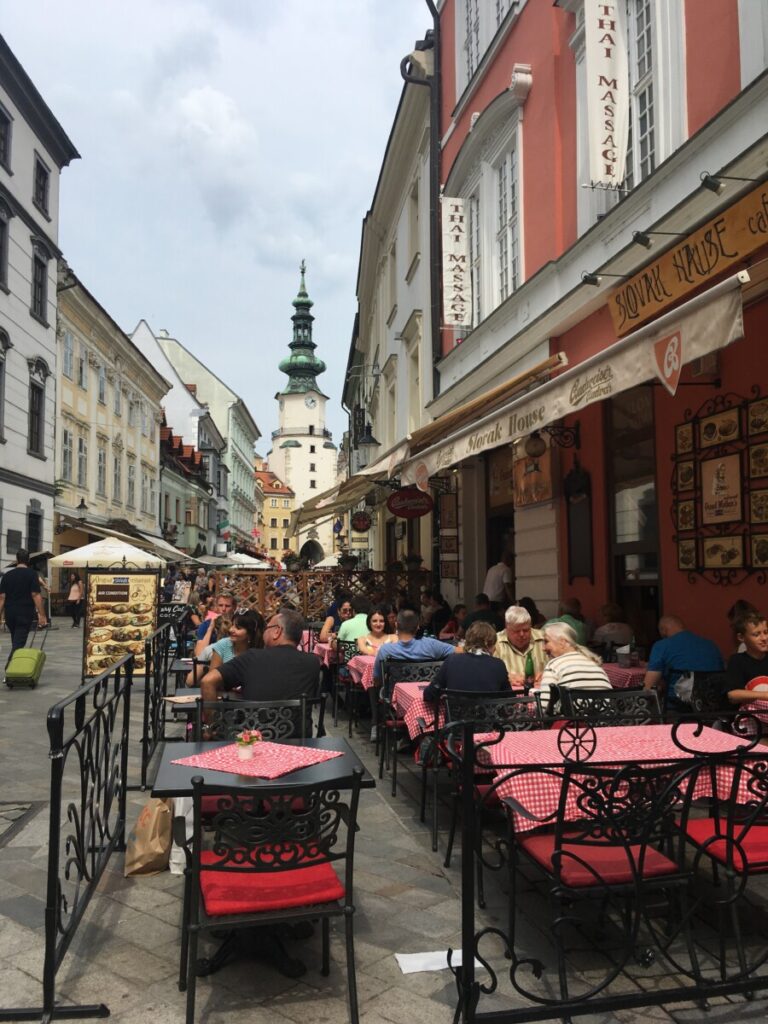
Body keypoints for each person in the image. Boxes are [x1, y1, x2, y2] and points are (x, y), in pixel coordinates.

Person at [200, 609, 320, 705]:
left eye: (268, 628)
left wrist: (211, 727)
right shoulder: (313, 662)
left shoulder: (252, 657)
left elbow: (207, 681)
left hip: (256, 733)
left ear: (277, 632)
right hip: (299, 734)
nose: (264, 632)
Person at [642, 615, 723, 708]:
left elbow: (648, 688)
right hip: (711, 708)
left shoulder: (661, 646)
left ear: (663, 630)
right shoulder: (711, 645)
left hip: (677, 709)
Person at [423, 622, 510, 702]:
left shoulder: (452, 661)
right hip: (489, 718)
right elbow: (509, 699)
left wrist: (444, 695)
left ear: (467, 641)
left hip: (456, 718)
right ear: (491, 645)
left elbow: (429, 695)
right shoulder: (499, 665)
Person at [372, 609, 456, 691]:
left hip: (397, 697)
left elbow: (377, 680)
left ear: (396, 625)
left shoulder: (386, 650)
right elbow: (460, 651)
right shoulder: (432, 645)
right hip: (429, 694)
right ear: (417, 627)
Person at [536, 622, 611, 709]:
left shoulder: (554, 665)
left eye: (546, 641)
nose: (543, 648)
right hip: (606, 720)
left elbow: (544, 706)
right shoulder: (594, 664)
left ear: (562, 642)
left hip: (574, 721)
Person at [0, 549, 48, 669]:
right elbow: (36, 595)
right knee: (18, 643)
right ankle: (10, 667)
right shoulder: (32, 574)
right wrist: (42, 615)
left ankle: (16, 667)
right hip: (24, 613)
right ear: (28, 560)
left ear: (17, 560)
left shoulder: (7, 575)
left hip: (10, 614)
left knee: (16, 639)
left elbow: (2, 598)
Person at [495, 605, 547, 686]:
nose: (522, 634)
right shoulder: (495, 642)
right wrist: (503, 678)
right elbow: (484, 673)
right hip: (510, 696)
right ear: (506, 628)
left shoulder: (545, 639)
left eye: (526, 630)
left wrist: (548, 676)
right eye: (516, 631)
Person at [725, 612, 768, 704]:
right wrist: (764, 695)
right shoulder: (737, 661)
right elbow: (733, 695)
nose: (764, 638)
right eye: (756, 634)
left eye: (766, 632)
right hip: (751, 715)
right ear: (741, 637)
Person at [193, 591, 237, 656]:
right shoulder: (207, 624)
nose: (223, 609)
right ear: (216, 606)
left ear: (234, 607)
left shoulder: (238, 625)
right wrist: (210, 628)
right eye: (220, 605)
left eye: (227, 606)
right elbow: (199, 654)